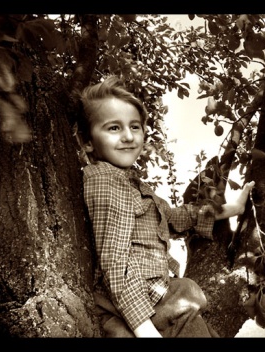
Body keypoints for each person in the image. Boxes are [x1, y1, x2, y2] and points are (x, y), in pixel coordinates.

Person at [77, 75, 255, 338]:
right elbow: (114, 262)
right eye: (113, 128)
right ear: (88, 141)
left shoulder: (134, 186)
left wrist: (234, 208)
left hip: (157, 297)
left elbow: (178, 217)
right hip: (137, 303)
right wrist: (145, 330)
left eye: (135, 127)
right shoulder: (104, 182)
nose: (128, 136)